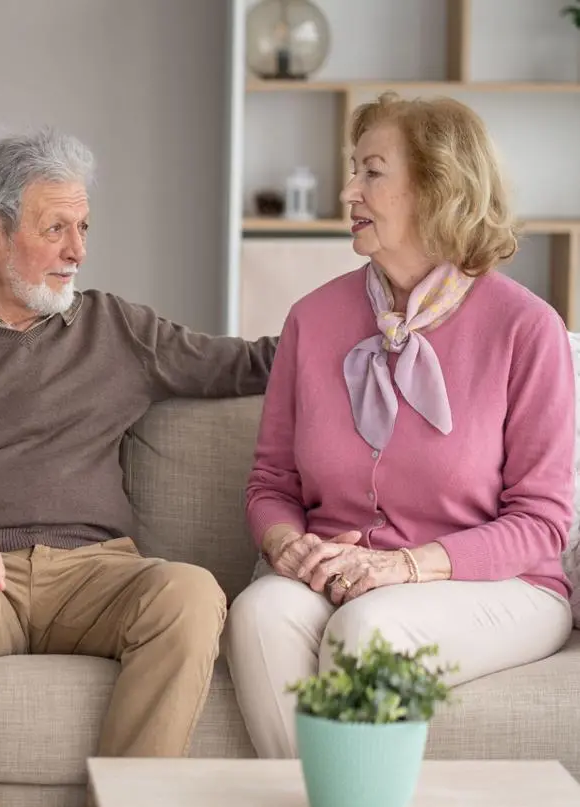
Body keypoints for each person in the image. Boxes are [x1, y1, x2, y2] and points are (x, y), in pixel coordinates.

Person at [0, 128, 279, 807]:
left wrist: (366, 319)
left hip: (98, 572)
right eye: (55, 228)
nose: (77, 250)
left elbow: (246, 364)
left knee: (190, 593)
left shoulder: (117, 328)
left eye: (82, 228)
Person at [223, 92, 576, 759]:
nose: (348, 189)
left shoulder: (527, 329)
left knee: (369, 630)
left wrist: (409, 566)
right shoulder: (312, 319)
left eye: (371, 171)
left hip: (496, 584)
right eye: (352, 169)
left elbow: (542, 523)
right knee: (260, 612)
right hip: (339, 571)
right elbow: (271, 482)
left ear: (437, 187)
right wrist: (286, 547)